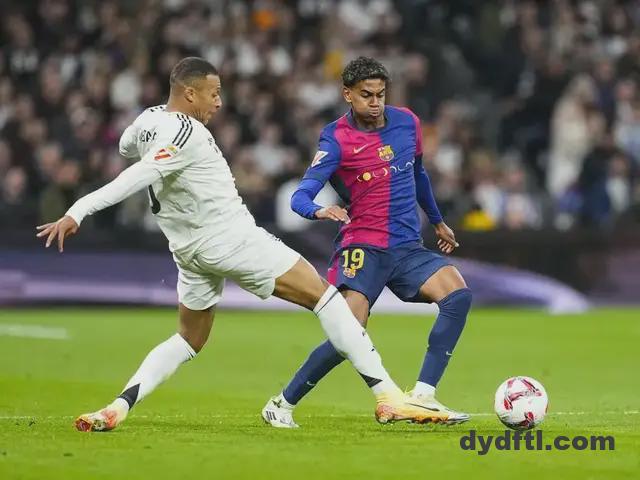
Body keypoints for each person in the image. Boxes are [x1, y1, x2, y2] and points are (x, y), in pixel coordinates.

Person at [36, 57, 447, 432]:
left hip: (188, 252)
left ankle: (118, 406)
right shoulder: (186, 132)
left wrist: (148, 146)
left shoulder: (149, 120)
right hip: (230, 238)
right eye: (213, 94)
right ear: (190, 93)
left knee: (188, 339)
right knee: (328, 300)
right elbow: (138, 175)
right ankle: (389, 397)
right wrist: (78, 211)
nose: (218, 103)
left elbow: (126, 145)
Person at [262, 57, 472, 428]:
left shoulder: (407, 122)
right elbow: (300, 195)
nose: (375, 103)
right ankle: (282, 403)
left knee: (457, 295)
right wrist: (319, 211)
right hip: (363, 246)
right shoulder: (336, 139)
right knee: (349, 332)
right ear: (348, 94)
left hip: (407, 245)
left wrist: (438, 221)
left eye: (380, 94)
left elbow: (419, 174)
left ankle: (423, 395)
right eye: (366, 95)